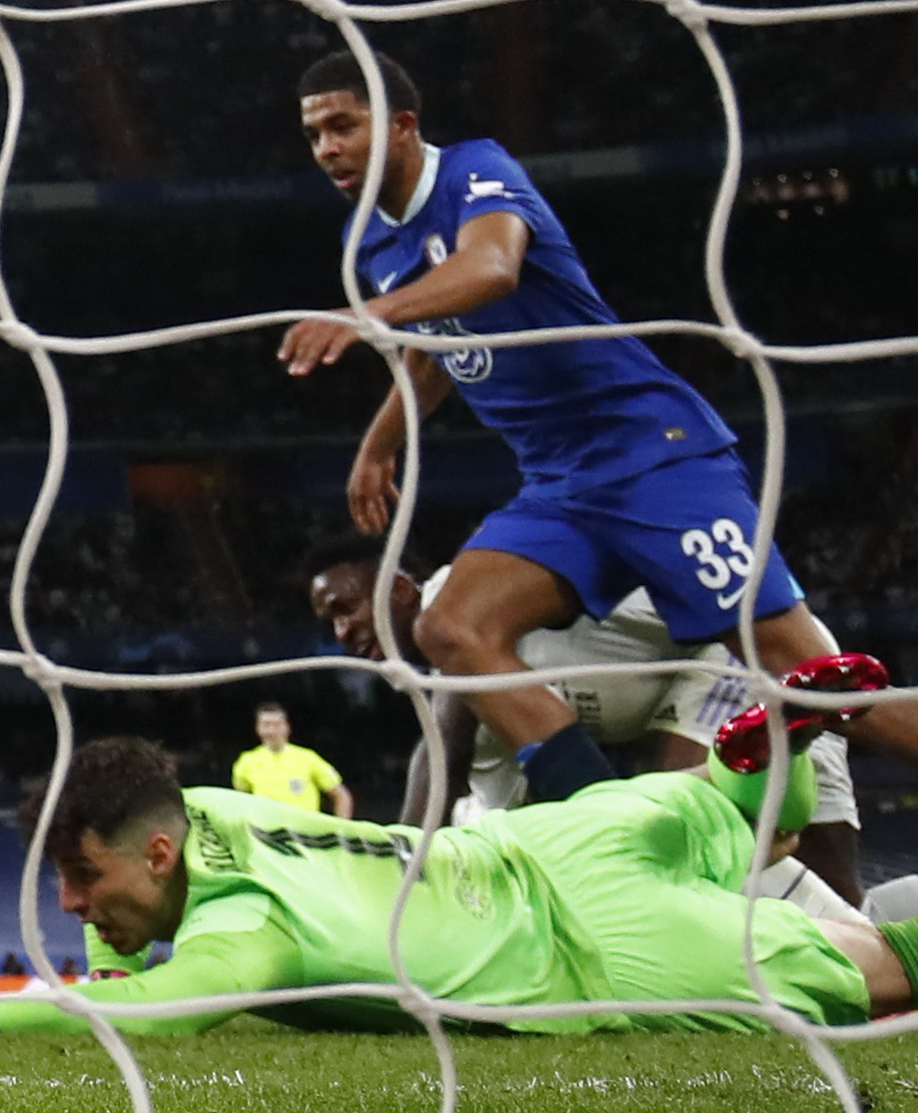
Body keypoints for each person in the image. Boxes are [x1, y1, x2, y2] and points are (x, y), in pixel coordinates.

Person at [278, 51, 918, 803]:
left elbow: (492, 269)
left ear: (403, 125)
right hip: (560, 487)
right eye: (314, 133)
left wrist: (364, 316)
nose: (326, 148)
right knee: (451, 627)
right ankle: (602, 819)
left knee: (812, 679)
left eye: (342, 126)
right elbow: (439, 346)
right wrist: (378, 445)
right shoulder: (373, 244)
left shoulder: (474, 171)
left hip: (654, 458)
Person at [0, 718, 918, 1037]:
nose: (70, 907)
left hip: (586, 946)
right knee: (710, 805)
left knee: (875, 970)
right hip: (551, 837)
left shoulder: (250, 930)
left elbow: (158, 1019)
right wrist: (99, 946)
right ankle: (749, 758)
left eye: (79, 881)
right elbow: (114, 881)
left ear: (156, 855)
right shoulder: (193, 802)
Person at [304, 539, 862, 905]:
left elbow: (438, 755)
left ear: (401, 589)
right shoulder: (466, 697)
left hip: (744, 649)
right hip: (699, 684)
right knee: (837, 896)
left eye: (345, 608)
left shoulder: (455, 601)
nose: (342, 634)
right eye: (329, 621)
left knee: (678, 818)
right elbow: (509, 816)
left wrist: (389, 875)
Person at [229, 703, 351, 819]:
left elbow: (341, 796)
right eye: (266, 725)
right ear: (258, 729)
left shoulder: (307, 758)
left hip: (303, 834)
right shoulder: (246, 761)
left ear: (286, 728)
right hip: (266, 834)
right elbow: (241, 801)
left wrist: (342, 830)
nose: (271, 730)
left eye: (277, 725)